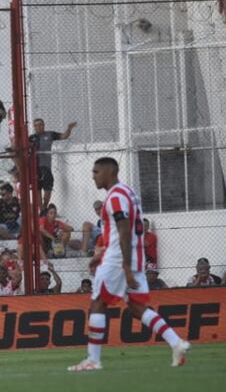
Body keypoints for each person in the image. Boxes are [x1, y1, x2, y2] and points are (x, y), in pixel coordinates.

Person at [68, 157, 190, 371]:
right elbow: (125, 231)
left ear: (109, 172)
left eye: (96, 172)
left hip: (118, 260)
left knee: (98, 303)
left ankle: (93, 360)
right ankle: (176, 342)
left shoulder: (115, 196)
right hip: (131, 257)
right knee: (136, 308)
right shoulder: (127, 193)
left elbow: (125, 231)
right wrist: (104, 252)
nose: (93, 175)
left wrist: (123, 266)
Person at [30, 118, 77, 207]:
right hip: (35, 167)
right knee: (37, 189)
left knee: (48, 189)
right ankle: (41, 210)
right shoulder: (31, 138)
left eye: (40, 124)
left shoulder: (50, 134)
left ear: (43, 125)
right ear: (34, 127)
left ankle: (44, 207)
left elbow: (64, 136)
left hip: (46, 166)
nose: (38, 127)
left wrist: (69, 128)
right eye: (36, 125)